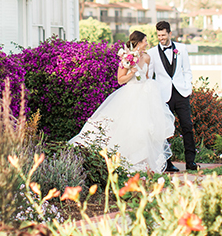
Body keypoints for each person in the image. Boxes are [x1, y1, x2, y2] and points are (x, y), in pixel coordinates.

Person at [69, 31, 174, 172]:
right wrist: (132, 72)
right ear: (138, 42)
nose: (147, 43)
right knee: (129, 126)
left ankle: (145, 162)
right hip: (130, 94)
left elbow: (147, 76)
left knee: (146, 127)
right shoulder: (127, 58)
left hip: (146, 96)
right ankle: (128, 159)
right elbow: (120, 80)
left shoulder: (148, 57)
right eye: (145, 41)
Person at [149, 20, 197, 172]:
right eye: (158, 35)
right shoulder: (152, 53)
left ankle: (191, 162)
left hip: (181, 94)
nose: (161, 38)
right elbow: (150, 76)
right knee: (165, 130)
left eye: (163, 35)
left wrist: (187, 87)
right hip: (163, 96)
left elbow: (187, 70)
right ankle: (167, 163)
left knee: (187, 126)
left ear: (170, 33)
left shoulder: (182, 49)